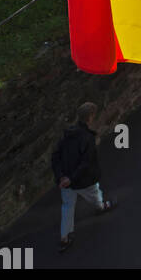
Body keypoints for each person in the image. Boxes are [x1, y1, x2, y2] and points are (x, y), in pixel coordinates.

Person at [51, 102, 115, 252]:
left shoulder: (66, 136)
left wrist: (61, 177)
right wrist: (71, 179)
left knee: (67, 207)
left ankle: (64, 238)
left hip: (66, 183)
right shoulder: (88, 138)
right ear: (90, 118)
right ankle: (101, 207)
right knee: (95, 195)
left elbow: (55, 157)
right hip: (83, 181)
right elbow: (86, 163)